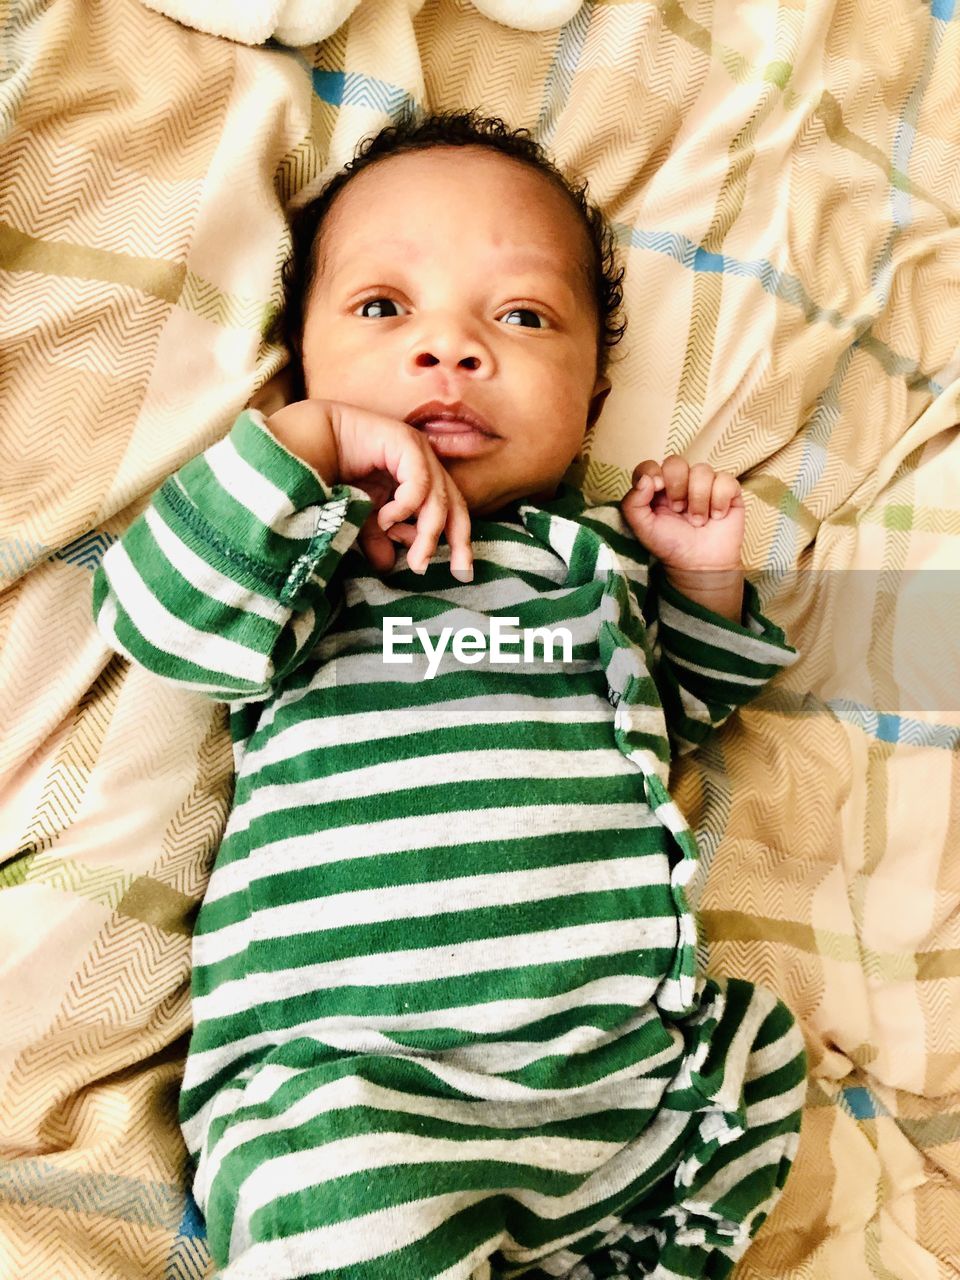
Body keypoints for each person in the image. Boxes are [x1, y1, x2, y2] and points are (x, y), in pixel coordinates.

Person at [91, 108, 806, 1280]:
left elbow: (686, 709)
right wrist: (307, 445)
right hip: (357, 1074)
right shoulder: (312, 547)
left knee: (758, 1055)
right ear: (304, 353)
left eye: (521, 317)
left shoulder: (595, 563)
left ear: (591, 395)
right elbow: (159, 621)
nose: (452, 350)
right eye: (384, 309)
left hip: (604, 1071)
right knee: (336, 1195)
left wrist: (702, 578)